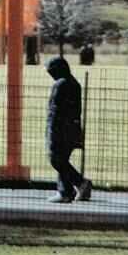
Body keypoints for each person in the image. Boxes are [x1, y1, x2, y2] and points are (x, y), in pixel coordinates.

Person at [44, 56, 92, 204]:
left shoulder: (60, 84)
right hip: (72, 128)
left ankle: (79, 183)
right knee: (62, 160)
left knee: (56, 159)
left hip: (60, 128)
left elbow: (55, 110)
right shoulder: (74, 83)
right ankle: (65, 192)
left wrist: (51, 130)